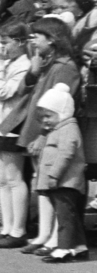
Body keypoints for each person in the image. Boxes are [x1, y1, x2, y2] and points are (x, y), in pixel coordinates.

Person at [16, 17, 83, 253]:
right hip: (38, 131)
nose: (33, 40)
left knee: (53, 188)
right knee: (42, 185)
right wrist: (33, 71)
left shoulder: (65, 67)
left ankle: (55, 237)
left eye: (38, 36)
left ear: (52, 40)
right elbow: (26, 91)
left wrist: (44, 136)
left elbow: (58, 109)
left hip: (50, 136)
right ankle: (44, 234)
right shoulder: (49, 64)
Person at [0, 23, 34, 248]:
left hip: (12, 126)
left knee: (14, 179)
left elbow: (3, 91)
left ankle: (18, 230)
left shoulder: (23, 66)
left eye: (6, 43)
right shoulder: (9, 63)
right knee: (2, 179)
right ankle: (5, 226)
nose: (2, 48)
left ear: (20, 42)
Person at [30, 86, 88, 263]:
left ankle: (63, 248)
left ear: (62, 112)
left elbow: (66, 154)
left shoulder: (68, 129)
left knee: (65, 217)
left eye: (49, 116)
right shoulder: (59, 129)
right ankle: (79, 247)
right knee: (70, 215)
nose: (45, 121)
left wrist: (53, 175)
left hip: (66, 181)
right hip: (61, 181)